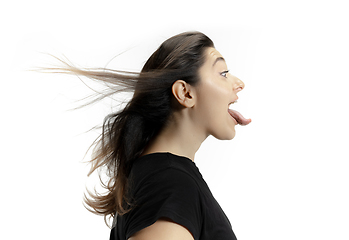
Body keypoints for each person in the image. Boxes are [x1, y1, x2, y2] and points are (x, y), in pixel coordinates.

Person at [53, 31, 251, 240]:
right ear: (185, 93)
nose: (239, 83)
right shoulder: (169, 185)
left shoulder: (160, 177)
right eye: (223, 73)